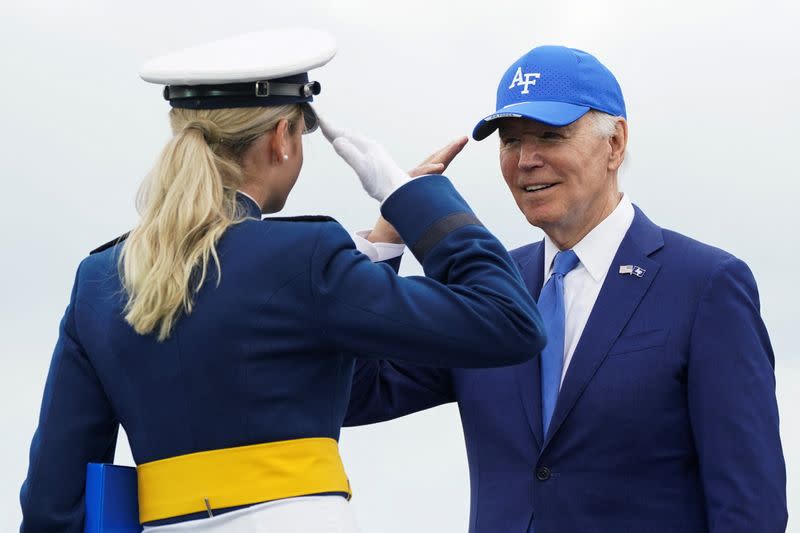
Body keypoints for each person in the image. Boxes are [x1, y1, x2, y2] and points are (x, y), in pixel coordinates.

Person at [18, 29, 547, 532]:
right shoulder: (303, 258)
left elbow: (51, 501)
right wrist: (408, 197)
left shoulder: (99, 279)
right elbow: (507, 321)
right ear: (281, 140)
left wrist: (381, 244)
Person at [344, 45, 787, 532]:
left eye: (550, 136)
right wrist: (390, 231)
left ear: (615, 143)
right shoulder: (485, 288)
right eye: (511, 142)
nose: (526, 160)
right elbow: (358, 393)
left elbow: (750, 506)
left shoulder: (705, 285)